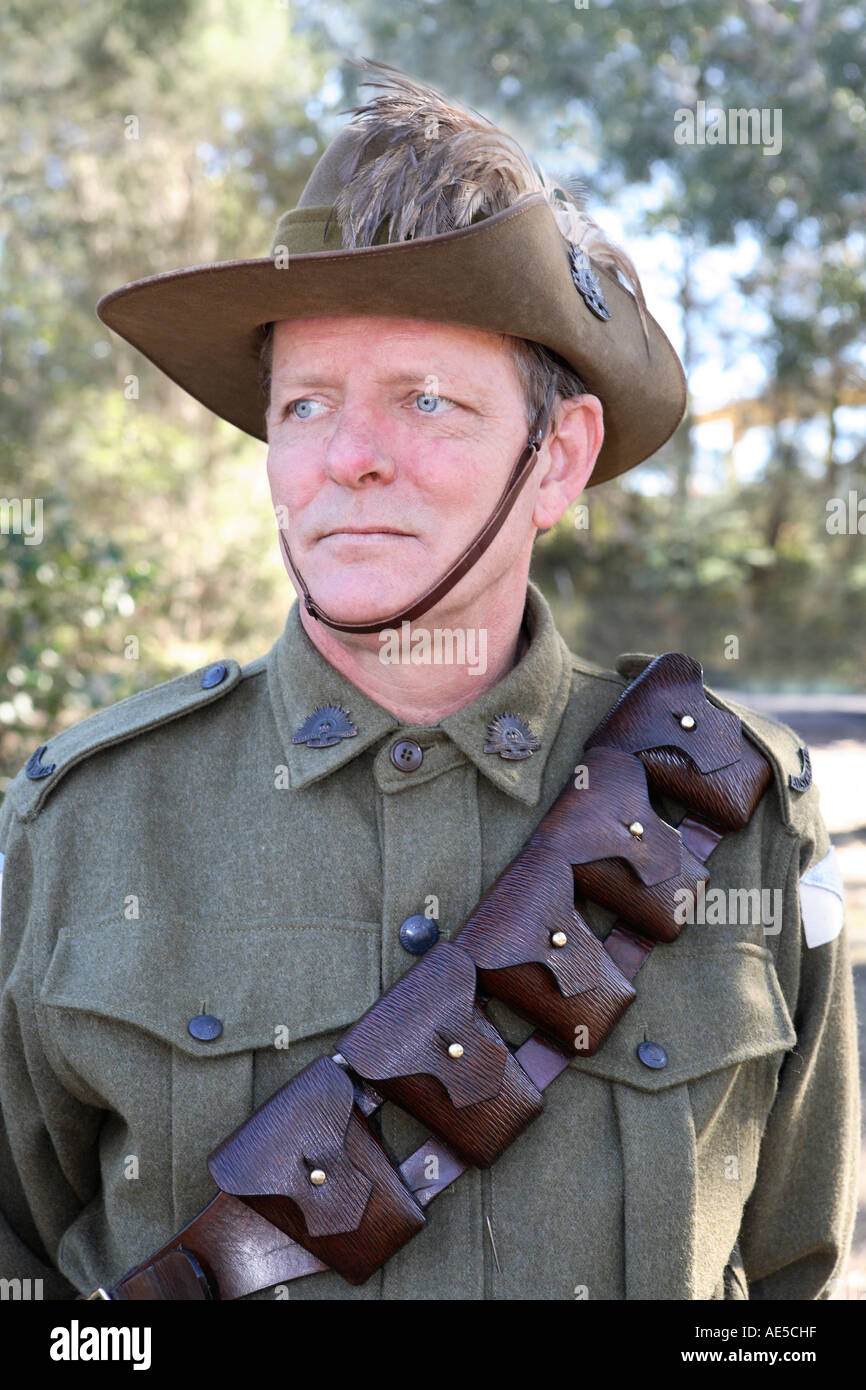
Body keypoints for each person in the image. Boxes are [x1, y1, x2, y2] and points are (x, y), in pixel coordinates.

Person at [0, 59, 858, 1302]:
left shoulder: (731, 814)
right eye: (303, 403)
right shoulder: (82, 823)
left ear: (555, 459)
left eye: (425, 398)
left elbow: (793, 1275)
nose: (346, 457)